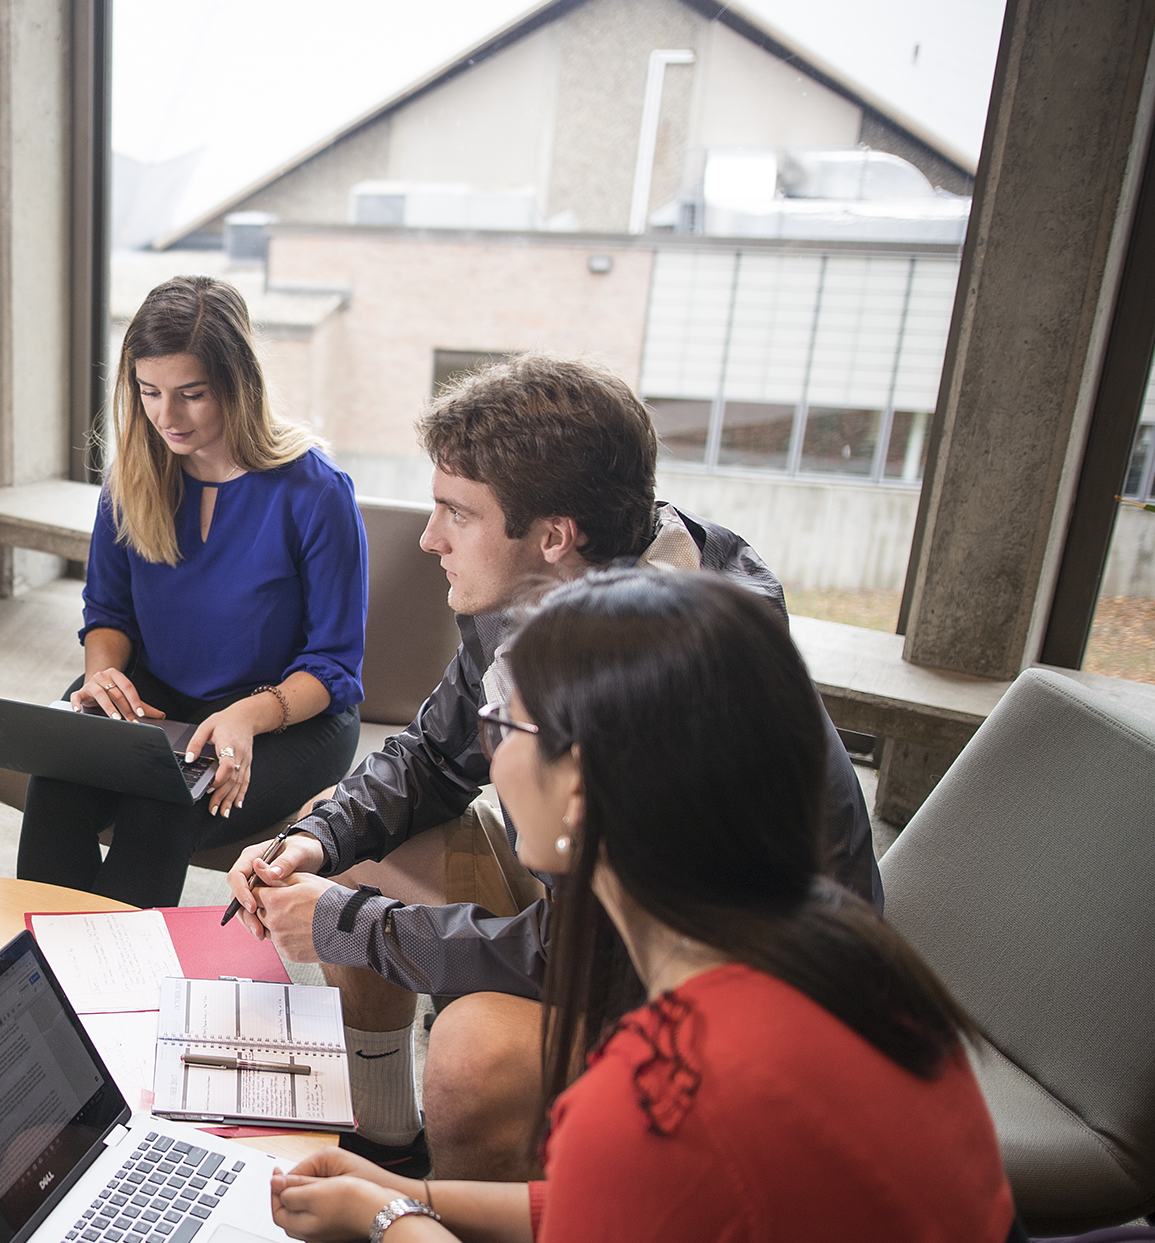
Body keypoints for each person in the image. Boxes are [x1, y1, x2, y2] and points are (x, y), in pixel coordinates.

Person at [247, 567, 1057, 1243]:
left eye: (502, 726)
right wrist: (410, 1196)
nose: (487, 749)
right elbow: (640, 1211)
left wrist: (396, 1226)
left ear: (583, 787)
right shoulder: (843, 953)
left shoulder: (655, 1085)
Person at [228, 353, 880, 1180]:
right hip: (602, 916)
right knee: (353, 839)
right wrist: (319, 841)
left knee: (473, 1054)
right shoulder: (538, 589)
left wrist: (345, 924)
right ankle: (387, 1138)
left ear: (553, 535)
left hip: (729, 1013)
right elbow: (433, 757)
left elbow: (597, 951)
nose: (428, 539)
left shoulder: (680, 684)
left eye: (454, 514)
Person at [16, 275, 367, 910]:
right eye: (149, 392)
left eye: (191, 394)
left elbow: (335, 667)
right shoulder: (133, 476)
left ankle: (121, 988)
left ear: (239, 384)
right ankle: (34, 977)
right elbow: (108, 611)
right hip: (163, 694)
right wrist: (102, 675)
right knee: (58, 778)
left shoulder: (315, 493)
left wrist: (245, 717)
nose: (166, 417)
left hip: (289, 714)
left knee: (161, 799)